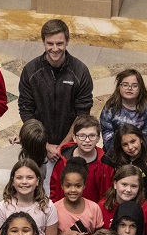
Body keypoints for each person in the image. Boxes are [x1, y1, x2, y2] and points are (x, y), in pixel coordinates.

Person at [18, 19, 93, 160]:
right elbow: (26, 110)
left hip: (70, 147)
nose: (55, 49)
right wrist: (44, 145)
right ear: (43, 42)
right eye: (50, 44)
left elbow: (82, 114)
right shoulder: (30, 71)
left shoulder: (80, 72)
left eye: (59, 43)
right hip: (37, 146)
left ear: (67, 42)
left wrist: (62, 147)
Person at [0, 159, 59, 235]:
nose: (24, 182)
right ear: (12, 181)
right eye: (19, 178)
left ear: (37, 181)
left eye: (29, 177)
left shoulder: (47, 206)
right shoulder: (4, 207)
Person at [48, 115, 113, 203]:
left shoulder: (105, 164)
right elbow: (55, 192)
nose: (87, 140)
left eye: (92, 136)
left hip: (94, 213)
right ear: (74, 137)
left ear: (98, 138)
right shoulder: (63, 161)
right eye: (82, 136)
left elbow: (108, 195)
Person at [54, 161, 103, 235]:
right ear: (62, 186)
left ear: (84, 185)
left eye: (78, 186)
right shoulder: (54, 209)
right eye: (68, 186)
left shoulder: (94, 208)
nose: (73, 190)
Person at [100, 69, 147, 151]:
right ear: (119, 86)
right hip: (114, 154)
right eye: (125, 85)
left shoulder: (146, 110)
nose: (129, 88)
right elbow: (107, 137)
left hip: (138, 153)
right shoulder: (110, 108)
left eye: (134, 85)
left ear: (140, 88)